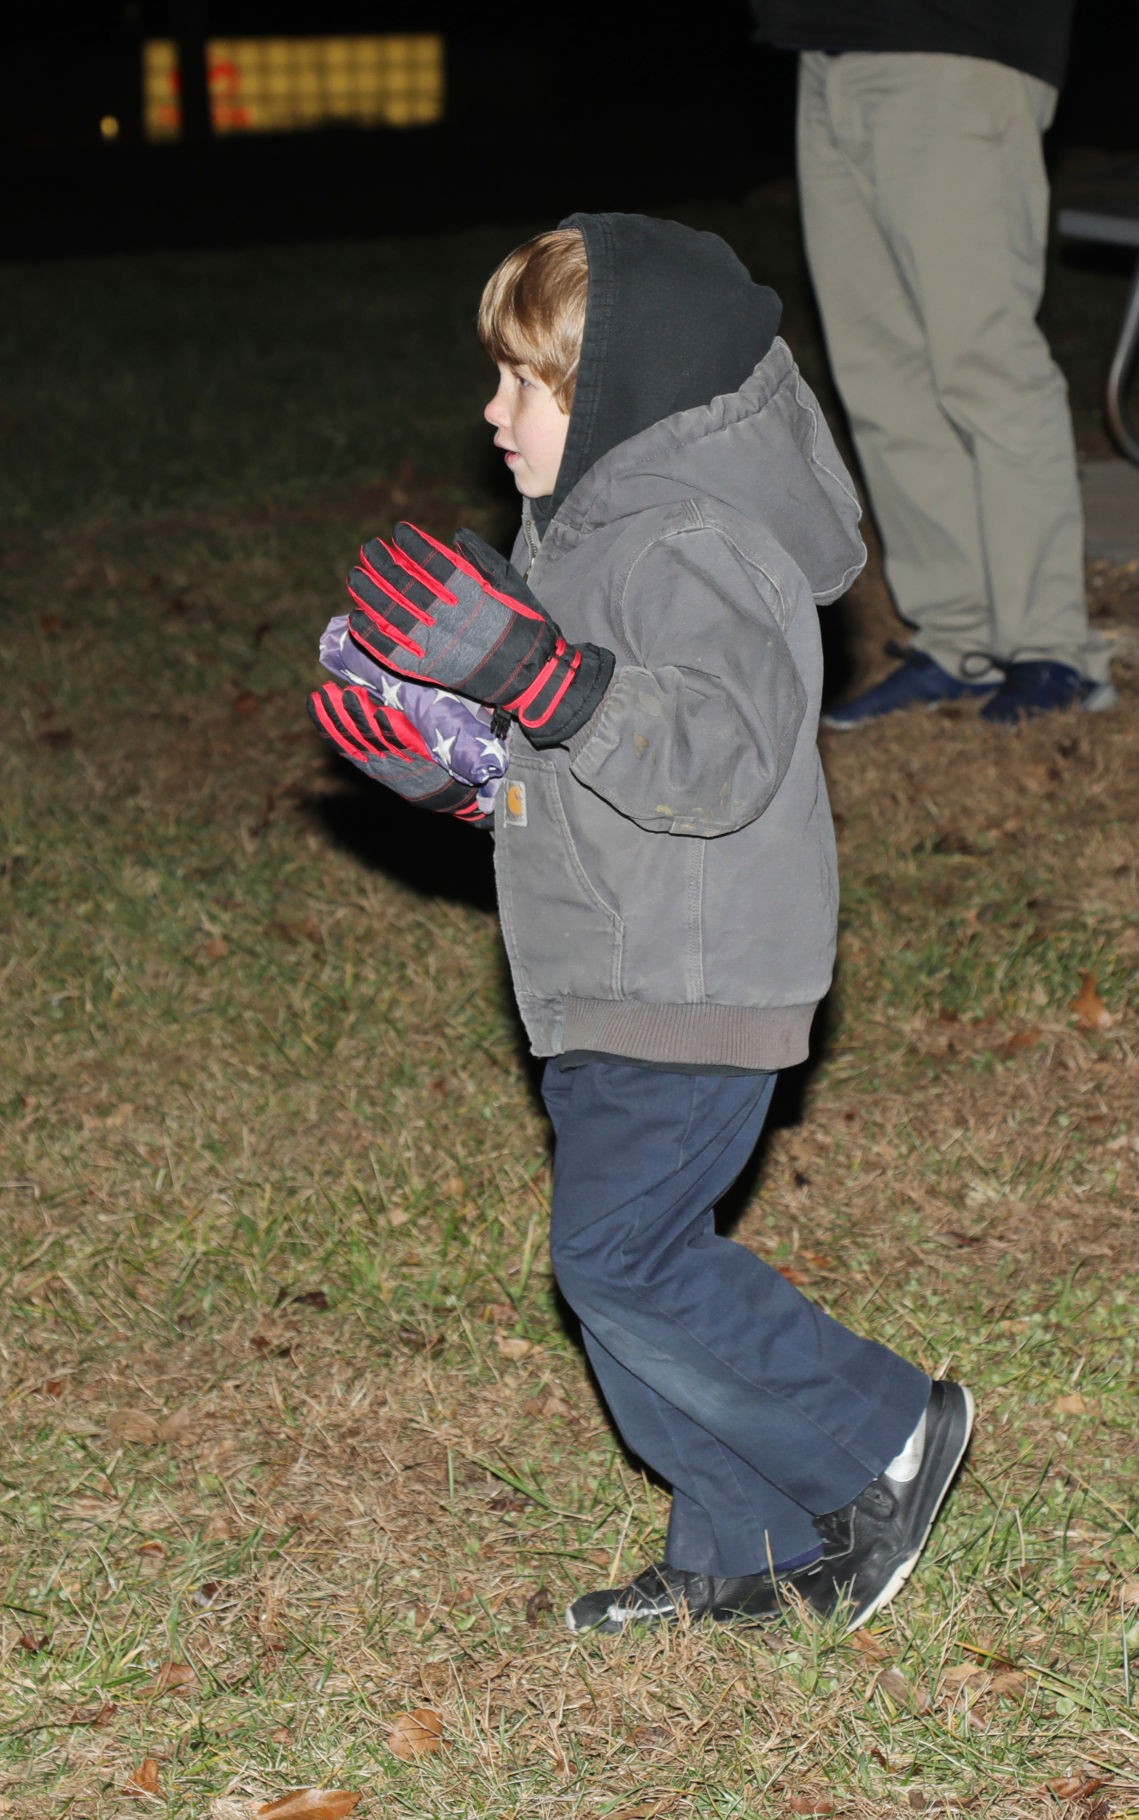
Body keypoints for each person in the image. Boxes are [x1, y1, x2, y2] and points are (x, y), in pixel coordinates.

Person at [308, 214, 973, 1634]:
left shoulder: (689, 536)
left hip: (689, 972)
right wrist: (466, 775)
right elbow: (592, 768)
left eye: (521, 385)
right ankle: (744, 1547)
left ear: (612, 395)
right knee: (614, 1267)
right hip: (617, 962)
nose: (489, 414)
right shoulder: (594, 534)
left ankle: (875, 1433)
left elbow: (717, 750)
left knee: (621, 1259)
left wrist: (527, 673)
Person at [750, 0, 1116, 727]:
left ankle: (1053, 651)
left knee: (985, 364)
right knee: (882, 378)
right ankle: (959, 638)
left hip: (959, 41)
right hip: (826, 48)